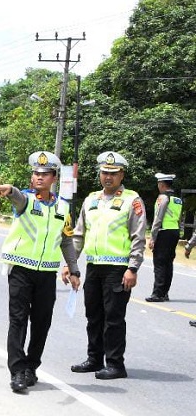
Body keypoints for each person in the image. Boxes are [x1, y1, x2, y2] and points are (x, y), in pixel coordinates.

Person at [0, 151, 81, 394]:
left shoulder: (63, 207)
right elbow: (17, 197)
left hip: (46, 274)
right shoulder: (27, 201)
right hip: (21, 270)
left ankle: (32, 366)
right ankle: (17, 371)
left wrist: (73, 270)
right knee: (18, 320)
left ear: (53, 177)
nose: (39, 177)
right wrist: (10, 189)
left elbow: (67, 241)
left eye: (44, 174)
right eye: (36, 173)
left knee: (42, 322)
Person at [64, 151, 146, 380]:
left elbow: (138, 237)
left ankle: (115, 364)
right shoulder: (91, 200)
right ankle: (94, 359)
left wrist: (133, 268)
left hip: (118, 268)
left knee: (113, 318)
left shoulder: (132, 200)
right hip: (94, 267)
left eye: (113, 173)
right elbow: (78, 235)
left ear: (122, 174)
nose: (108, 177)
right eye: (104, 172)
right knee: (94, 315)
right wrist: (70, 265)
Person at [145, 173, 183, 302]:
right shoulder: (177, 199)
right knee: (168, 263)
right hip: (174, 232)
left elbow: (158, 218)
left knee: (160, 263)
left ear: (161, 185)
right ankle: (165, 292)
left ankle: (158, 294)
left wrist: (152, 237)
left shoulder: (163, 198)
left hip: (164, 232)